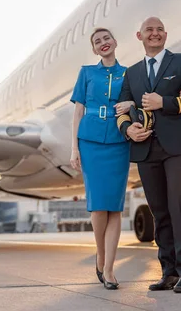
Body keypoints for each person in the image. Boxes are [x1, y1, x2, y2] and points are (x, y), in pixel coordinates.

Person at [116, 17, 181, 293]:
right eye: (149, 30)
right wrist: (128, 131)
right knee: (160, 212)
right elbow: (120, 110)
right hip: (146, 149)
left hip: (178, 146)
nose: (154, 34)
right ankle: (168, 271)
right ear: (139, 36)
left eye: (158, 30)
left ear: (165, 34)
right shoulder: (131, 73)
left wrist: (163, 102)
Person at [70, 27, 135, 290]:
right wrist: (74, 148)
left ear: (115, 42)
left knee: (115, 207)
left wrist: (130, 105)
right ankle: (100, 253)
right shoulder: (86, 73)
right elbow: (77, 111)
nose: (103, 43)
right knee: (98, 206)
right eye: (98, 42)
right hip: (91, 141)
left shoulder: (128, 74)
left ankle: (109, 268)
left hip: (119, 141)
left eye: (106, 38)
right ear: (95, 50)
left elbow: (138, 102)